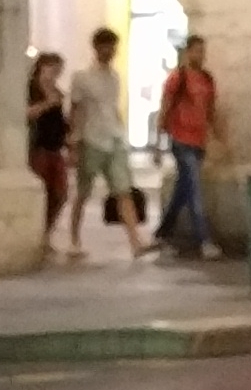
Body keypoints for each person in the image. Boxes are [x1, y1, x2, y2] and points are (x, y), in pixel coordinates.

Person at [65, 27, 147, 259]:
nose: (110, 51)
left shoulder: (115, 77)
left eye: (113, 47)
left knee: (123, 190)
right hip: (91, 139)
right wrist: (74, 142)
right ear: (96, 48)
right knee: (83, 192)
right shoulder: (82, 77)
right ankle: (74, 238)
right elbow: (76, 110)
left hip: (114, 139)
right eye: (106, 47)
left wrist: (122, 133)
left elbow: (113, 107)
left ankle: (135, 241)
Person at [153, 36, 217, 257]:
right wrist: (157, 143)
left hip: (199, 141)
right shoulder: (177, 78)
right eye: (197, 51)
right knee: (195, 189)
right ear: (188, 52)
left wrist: (218, 136)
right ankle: (204, 240)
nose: (201, 55)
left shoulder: (207, 79)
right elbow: (165, 108)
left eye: (203, 51)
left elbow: (210, 111)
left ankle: (163, 231)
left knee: (183, 189)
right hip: (181, 140)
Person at [25, 51, 72, 255]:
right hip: (38, 147)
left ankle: (46, 232)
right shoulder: (31, 90)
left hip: (55, 148)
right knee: (41, 192)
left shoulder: (57, 93)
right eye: (52, 69)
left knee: (60, 193)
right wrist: (47, 103)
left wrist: (69, 141)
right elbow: (27, 114)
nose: (55, 74)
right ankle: (36, 234)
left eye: (58, 70)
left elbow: (60, 121)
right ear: (41, 68)